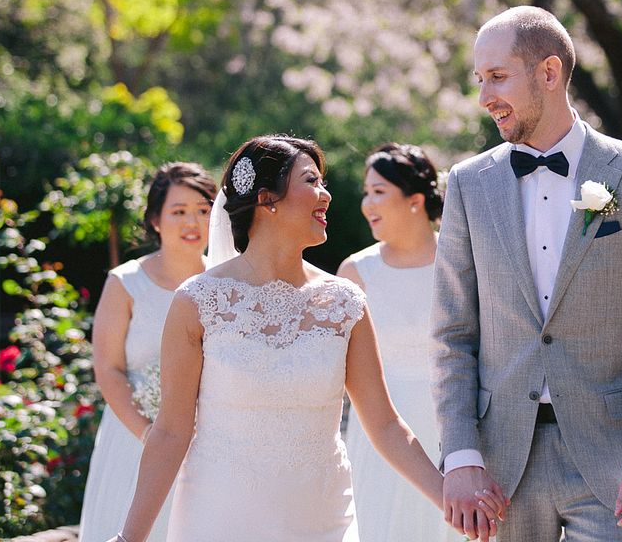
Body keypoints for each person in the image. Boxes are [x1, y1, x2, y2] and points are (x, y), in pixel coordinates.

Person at [110, 135, 502, 542]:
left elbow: (385, 425)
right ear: (268, 199)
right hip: (219, 516)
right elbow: (171, 432)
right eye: (311, 180)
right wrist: (128, 538)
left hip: (322, 519)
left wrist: (452, 500)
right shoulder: (198, 302)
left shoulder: (344, 303)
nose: (326, 194)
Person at [431, 5, 622, 542]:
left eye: (498, 77)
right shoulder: (467, 184)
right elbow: (452, 335)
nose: (485, 98)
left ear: (549, 74)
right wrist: (460, 456)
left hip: (615, 464)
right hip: (500, 469)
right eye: (480, 80)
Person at [79, 162, 217, 542]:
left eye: (203, 211)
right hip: (134, 439)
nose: (192, 222)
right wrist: (150, 435)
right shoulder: (126, 283)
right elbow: (108, 368)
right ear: (155, 219)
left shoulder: (224, 284)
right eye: (178, 212)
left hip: (206, 444)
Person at [339, 142, 452, 542]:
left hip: (452, 425)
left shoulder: (461, 260)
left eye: (379, 192)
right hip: (379, 433)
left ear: (415, 200)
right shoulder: (355, 271)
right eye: (366, 192)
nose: (367, 203)